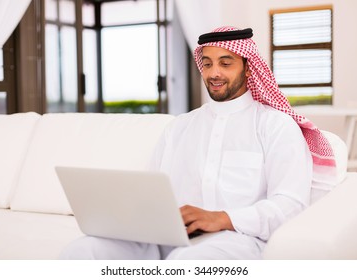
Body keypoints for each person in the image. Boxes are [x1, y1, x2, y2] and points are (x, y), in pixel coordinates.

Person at [60, 26, 335, 260]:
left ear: (249, 69)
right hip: (167, 238)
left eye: (226, 63)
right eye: (207, 64)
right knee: (84, 251)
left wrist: (223, 218)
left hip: (237, 239)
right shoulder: (180, 127)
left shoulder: (275, 125)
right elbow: (151, 191)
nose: (214, 73)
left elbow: (290, 205)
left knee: (188, 262)